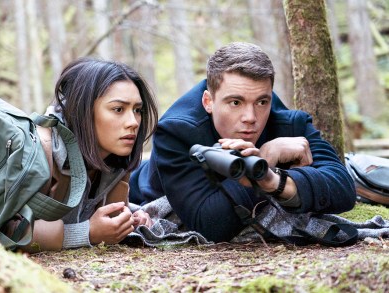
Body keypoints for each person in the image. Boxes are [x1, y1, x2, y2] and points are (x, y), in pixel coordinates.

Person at [129, 42, 356, 243]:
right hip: (145, 187)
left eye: (262, 102)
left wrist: (274, 180)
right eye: (235, 102)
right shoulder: (176, 130)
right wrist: (263, 162)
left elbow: (343, 190)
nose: (251, 117)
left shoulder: (285, 121)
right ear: (208, 101)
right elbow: (209, 226)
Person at [25, 57, 158, 252]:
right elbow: (2, 230)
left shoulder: (115, 159)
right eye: (118, 109)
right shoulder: (38, 152)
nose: (133, 122)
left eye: (137, 110)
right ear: (83, 111)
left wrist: (132, 217)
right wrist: (87, 233)